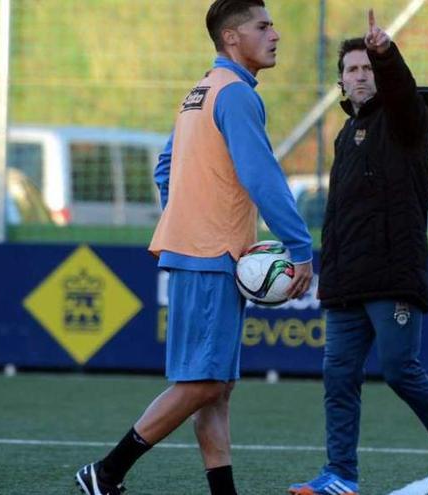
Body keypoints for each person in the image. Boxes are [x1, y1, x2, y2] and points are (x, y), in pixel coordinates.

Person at [75, 2, 313, 494]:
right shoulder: (235, 96)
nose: (275, 34)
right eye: (263, 26)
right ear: (231, 38)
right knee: (203, 383)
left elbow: (166, 166)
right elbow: (261, 175)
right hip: (211, 255)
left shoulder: (201, 91)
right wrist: (299, 246)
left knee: (216, 389)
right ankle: (106, 472)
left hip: (198, 250)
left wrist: (184, 218)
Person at [288, 9, 428, 495]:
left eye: (368, 68)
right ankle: (340, 474)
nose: (361, 76)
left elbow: (402, 94)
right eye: (353, 69)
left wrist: (386, 53)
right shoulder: (345, 134)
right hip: (345, 283)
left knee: (400, 371)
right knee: (338, 379)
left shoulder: (407, 120)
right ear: (341, 81)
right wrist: (326, 272)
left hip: (392, 276)